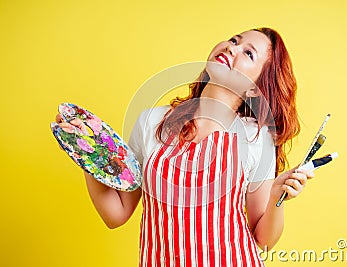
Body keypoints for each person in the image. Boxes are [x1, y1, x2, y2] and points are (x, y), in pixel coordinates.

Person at [55, 27, 314, 266]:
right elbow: (117, 214)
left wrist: (277, 198)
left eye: (248, 53)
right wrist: (87, 154)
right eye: (234, 40)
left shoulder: (255, 138)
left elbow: (263, 240)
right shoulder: (152, 121)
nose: (232, 47)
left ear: (254, 90)